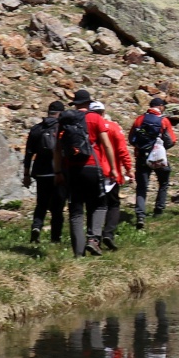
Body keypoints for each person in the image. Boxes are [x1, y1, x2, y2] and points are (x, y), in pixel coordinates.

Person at [54, 89, 112, 256]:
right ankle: (93, 239)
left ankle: (78, 254)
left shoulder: (65, 120)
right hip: (94, 167)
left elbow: (57, 149)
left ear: (76, 104)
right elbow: (106, 145)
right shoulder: (96, 118)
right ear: (89, 103)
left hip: (72, 169)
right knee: (100, 205)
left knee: (76, 211)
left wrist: (58, 171)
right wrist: (113, 168)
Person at [88, 101, 131, 252]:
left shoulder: (85, 127)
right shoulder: (113, 127)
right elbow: (122, 150)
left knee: (95, 206)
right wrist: (128, 168)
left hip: (91, 170)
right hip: (110, 172)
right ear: (103, 112)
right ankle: (108, 233)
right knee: (113, 204)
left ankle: (93, 238)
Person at [128, 97, 175, 228]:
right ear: (160, 107)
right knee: (163, 182)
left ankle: (140, 216)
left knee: (142, 187)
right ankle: (159, 210)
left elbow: (131, 139)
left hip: (142, 157)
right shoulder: (164, 121)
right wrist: (160, 149)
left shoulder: (139, 119)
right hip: (159, 158)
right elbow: (172, 140)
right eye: (163, 106)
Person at [23, 101, 65, 245]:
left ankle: (36, 227)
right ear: (60, 113)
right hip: (58, 173)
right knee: (57, 208)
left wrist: (26, 174)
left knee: (41, 204)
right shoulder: (62, 129)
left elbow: (28, 153)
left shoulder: (37, 129)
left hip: (41, 173)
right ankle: (55, 238)